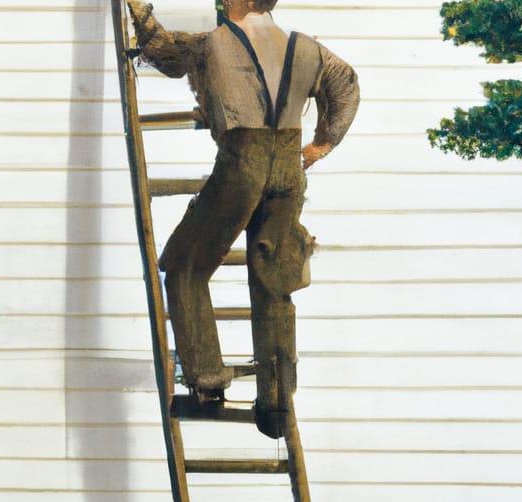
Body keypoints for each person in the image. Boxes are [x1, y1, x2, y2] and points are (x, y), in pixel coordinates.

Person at [128, 0, 359, 437]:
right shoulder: (307, 49)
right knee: (275, 283)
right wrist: (322, 144)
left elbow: (160, 50)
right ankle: (275, 405)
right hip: (289, 167)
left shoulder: (213, 43)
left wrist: (139, 11)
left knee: (185, 267)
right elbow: (346, 86)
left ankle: (208, 380)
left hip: (242, 164)